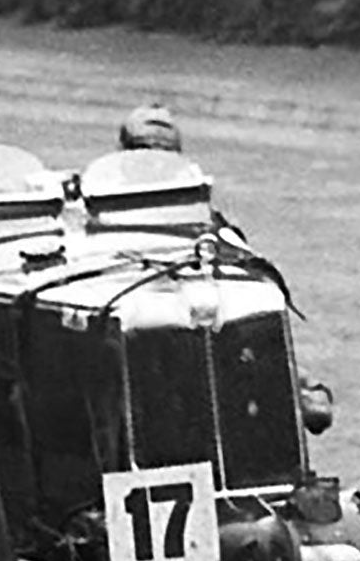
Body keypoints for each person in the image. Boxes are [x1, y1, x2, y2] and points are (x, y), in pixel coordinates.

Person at [115, 103, 334, 434]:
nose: (151, 160)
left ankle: (294, 381)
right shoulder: (96, 208)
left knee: (237, 324)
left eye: (161, 152)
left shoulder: (207, 218)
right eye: (143, 150)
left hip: (190, 323)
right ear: (123, 153)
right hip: (129, 323)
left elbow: (250, 268)